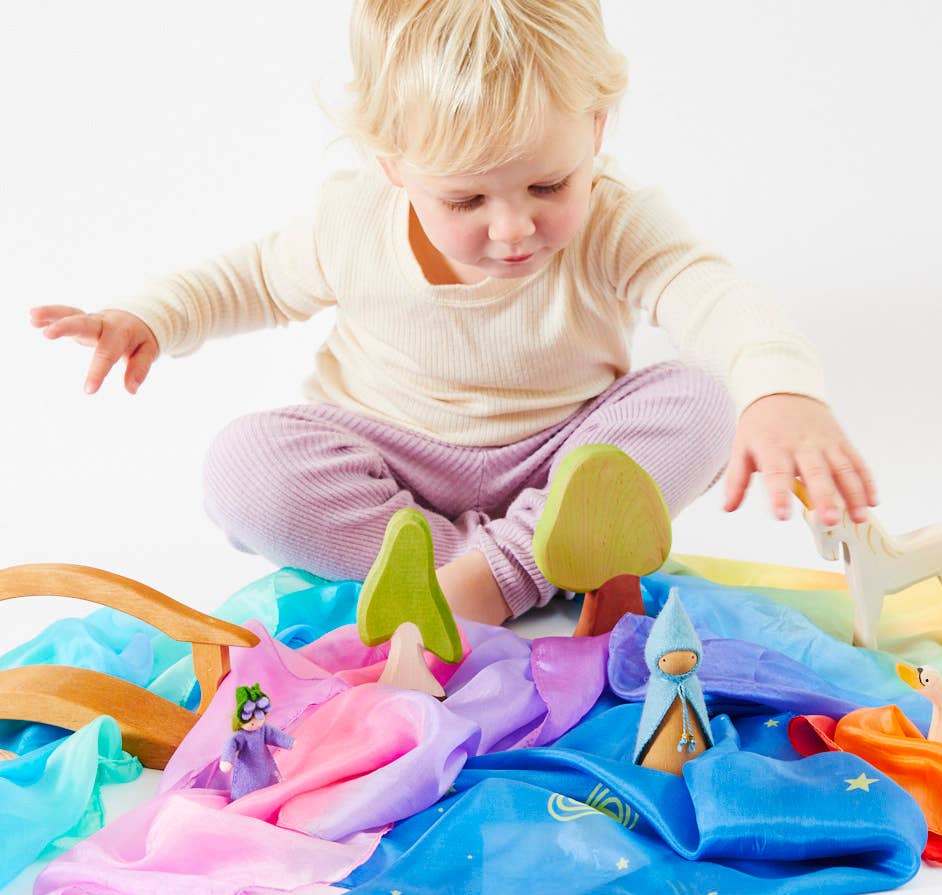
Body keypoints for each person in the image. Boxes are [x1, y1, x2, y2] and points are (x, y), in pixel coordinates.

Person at [29, 0, 876, 626]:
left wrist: (779, 391)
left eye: (549, 185)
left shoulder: (616, 219)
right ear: (393, 165)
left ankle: (494, 574)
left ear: (595, 127)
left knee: (697, 401)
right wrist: (149, 316)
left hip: (562, 464)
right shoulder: (351, 223)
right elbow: (247, 279)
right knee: (245, 467)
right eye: (466, 198)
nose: (514, 230)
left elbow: (708, 291)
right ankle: (504, 568)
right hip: (391, 464)